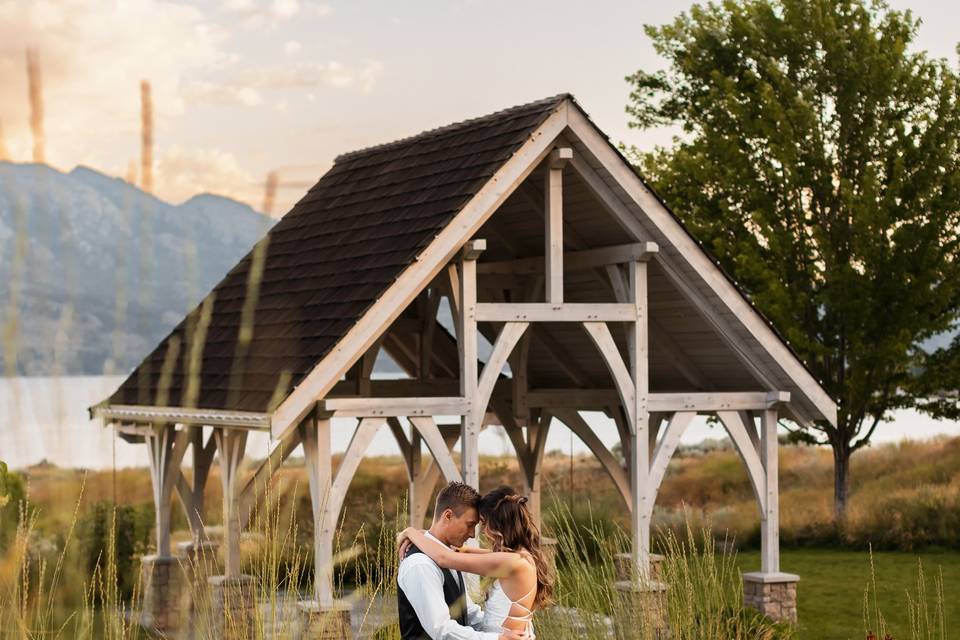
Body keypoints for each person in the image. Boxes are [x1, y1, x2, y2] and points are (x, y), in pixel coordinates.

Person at [397, 485, 553, 638]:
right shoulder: (420, 564)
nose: (475, 534)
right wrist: (425, 537)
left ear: (499, 524)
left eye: (483, 524)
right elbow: (451, 622)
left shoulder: (513, 561)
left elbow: (444, 558)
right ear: (448, 515)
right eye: (471, 525)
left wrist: (410, 531)